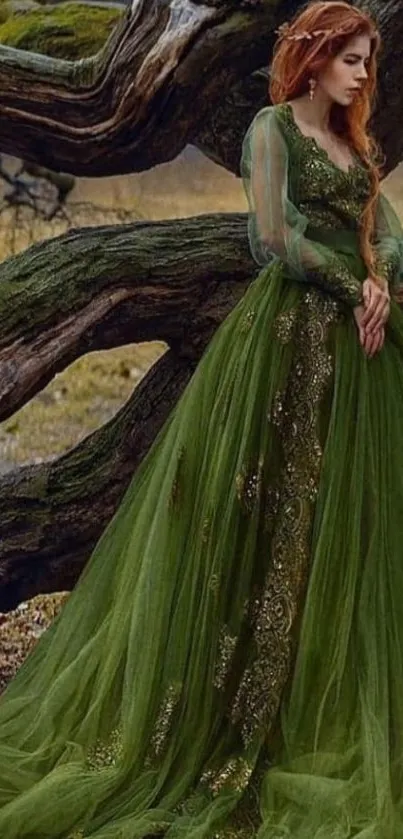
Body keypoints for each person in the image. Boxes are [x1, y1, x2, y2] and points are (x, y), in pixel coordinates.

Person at [1, 1, 403, 836]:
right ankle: (230, 714)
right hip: (284, 348)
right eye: (353, 59)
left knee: (345, 527)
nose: (365, 74)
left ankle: (323, 708)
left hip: (361, 357)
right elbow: (269, 238)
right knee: (266, 514)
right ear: (314, 55)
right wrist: (345, 281)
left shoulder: (351, 139)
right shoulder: (272, 131)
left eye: (369, 60)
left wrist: (382, 282)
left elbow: (383, 225)